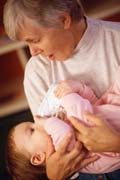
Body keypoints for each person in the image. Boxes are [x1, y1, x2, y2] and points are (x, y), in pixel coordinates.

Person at [3, 0, 120, 179]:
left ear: (63, 20)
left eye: (35, 40)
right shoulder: (37, 72)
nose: (32, 52)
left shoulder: (116, 41)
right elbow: (51, 149)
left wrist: (116, 144)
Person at [6, 77, 120, 180]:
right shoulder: (66, 148)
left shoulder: (62, 124)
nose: (36, 121)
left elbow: (90, 106)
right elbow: (72, 124)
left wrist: (80, 89)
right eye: (32, 130)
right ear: (38, 157)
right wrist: (66, 96)